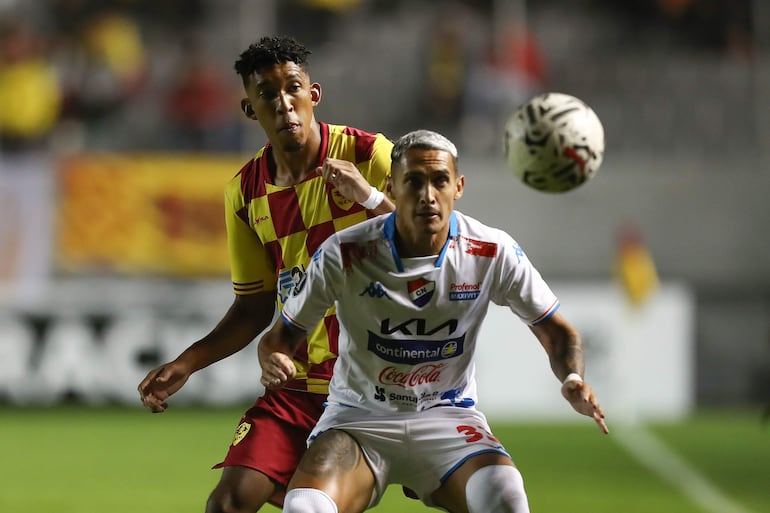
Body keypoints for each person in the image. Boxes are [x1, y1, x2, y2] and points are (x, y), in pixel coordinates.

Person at [259, 129, 609, 513]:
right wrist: (274, 358)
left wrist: (573, 378)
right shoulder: (345, 254)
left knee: (507, 497)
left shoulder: (491, 251)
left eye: (439, 180)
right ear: (391, 187)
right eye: (414, 181)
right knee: (305, 505)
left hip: (449, 418)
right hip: (360, 419)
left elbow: (558, 332)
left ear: (458, 186)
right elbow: (280, 338)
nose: (428, 195)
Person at [137, 35, 395, 513]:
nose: (283, 102)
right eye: (266, 93)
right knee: (227, 504)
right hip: (295, 388)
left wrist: (372, 199)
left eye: (292, 87)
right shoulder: (244, 192)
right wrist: (188, 363)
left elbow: (441, 242)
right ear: (249, 108)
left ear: (313, 94)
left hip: (372, 389)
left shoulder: (369, 156)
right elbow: (253, 305)